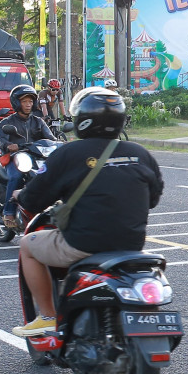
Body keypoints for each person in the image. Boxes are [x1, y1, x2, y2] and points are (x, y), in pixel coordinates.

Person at [11, 89, 164, 339]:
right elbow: (153, 199)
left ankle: (47, 317)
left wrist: (20, 195)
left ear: (82, 119)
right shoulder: (140, 153)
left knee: (28, 245)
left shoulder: (68, 153)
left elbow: (34, 198)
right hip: (131, 245)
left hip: (82, 244)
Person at [0, 84, 55, 230]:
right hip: (17, 157)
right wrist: (8, 145)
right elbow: (0, 140)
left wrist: (60, 143)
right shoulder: (8, 122)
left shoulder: (38, 121)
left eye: (30, 101)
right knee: (16, 176)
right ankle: (9, 212)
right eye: (24, 101)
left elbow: (50, 138)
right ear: (17, 103)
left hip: (36, 156)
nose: (28, 104)